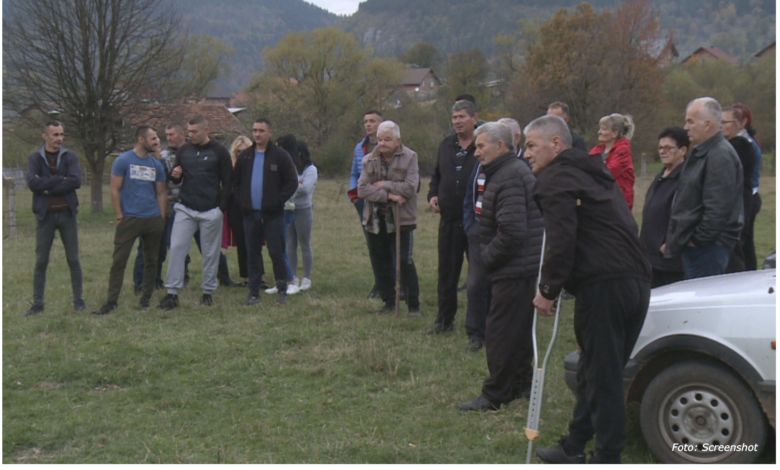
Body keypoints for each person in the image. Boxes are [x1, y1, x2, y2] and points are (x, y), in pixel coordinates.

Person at [525, 115, 651, 464]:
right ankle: (575, 442)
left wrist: (547, 290)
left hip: (605, 284)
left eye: (532, 145)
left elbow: (561, 241)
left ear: (556, 143)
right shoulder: (595, 172)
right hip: (637, 280)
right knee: (596, 367)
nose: (526, 154)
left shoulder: (554, 178)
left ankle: (608, 456)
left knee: (604, 374)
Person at [456, 122, 543, 411]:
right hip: (517, 267)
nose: (476, 152)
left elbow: (513, 231)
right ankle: (520, 384)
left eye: (481, 146)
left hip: (514, 269)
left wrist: (486, 258)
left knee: (501, 331)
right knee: (516, 330)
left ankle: (495, 394)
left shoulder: (508, 177)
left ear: (500, 146)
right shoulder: (506, 173)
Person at [157, 116, 233, 309]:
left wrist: (220, 209)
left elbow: (228, 183)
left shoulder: (220, 152)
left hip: (211, 210)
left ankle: (207, 292)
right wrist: (176, 176)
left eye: (194, 132)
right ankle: (171, 294)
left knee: (210, 253)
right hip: (186, 208)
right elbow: (175, 177)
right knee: (176, 248)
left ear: (206, 130)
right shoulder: (184, 150)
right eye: (189, 132)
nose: (190, 136)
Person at [663, 97, 743, 280]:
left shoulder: (720, 156)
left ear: (707, 124)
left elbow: (717, 209)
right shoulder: (702, 152)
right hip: (700, 247)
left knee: (704, 303)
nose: (685, 127)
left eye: (690, 121)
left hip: (709, 249)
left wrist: (696, 240)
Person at [92, 126, 167, 314]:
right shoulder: (123, 161)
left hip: (152, 218)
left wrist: (161, 218)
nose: (156, 141)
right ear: (141, 140)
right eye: (153, 137)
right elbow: (114, 189)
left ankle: (145, 298)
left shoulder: (156, 164)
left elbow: (160, 192)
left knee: (152, 260)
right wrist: (119, 215)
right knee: (119, 261)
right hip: (129, 218)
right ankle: (111, 301)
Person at [423, 100, 478, 340]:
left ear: (474, 118)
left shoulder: (482, 144)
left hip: (477, 221)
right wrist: (433, 194)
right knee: (447, 273)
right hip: (449, 220)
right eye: (455, 117)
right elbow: (436, 175)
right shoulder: (446, 145)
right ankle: (444, 321)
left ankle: (478, 327)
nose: (457, 121)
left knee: (477, 277)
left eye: (462, 117)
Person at [233, 118, 298, 306]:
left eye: (261, 130)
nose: (257, 134)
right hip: (250, 214)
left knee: (276, 252)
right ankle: (253, 292)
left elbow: (292, 182)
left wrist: (277, 201)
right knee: (252, 253)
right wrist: (242, 201)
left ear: (270, 132)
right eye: (254, 130)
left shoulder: (280, 156)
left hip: (272, 215)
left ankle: (282, 289)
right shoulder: (245, 156)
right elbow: (236, 183)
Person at [358, 120, 420, 315]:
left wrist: (383, 183)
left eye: (387, 139)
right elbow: (362, 189)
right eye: (379, 139)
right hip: (376, 220)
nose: (382, 144)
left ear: (398, 140)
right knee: (381, 261)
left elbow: (410, 187)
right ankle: (389, 302)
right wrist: (390, 195)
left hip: (402, 220)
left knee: (405, 260)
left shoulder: (410, 157)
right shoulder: (368, 160)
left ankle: (413, 304)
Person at [25, 121, 85, 316]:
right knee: (41, 260)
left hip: (67, 214)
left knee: (73, 259)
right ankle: (38, 303)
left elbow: (75, 181)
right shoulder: (35, 158)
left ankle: (78, 300)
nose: (59, 139)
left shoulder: (70, 156)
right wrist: (61, 179)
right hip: (46, 215)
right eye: (55, 135)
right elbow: (32, 183)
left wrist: (47, 187)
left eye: (61, 135)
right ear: (45, 136)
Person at [639, 127, 688, 288]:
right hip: (649, 256)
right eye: (660, 147)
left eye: (668, 148)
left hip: (668, 260)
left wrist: (669, 242)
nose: (663, 151)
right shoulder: (661, 174)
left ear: (683, 150)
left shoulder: (686, 178)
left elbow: (684, 215)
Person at [349, 110, 384, 299]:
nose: (368, 124)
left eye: (372, 121)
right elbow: (354, 173)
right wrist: (354, 196)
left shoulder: (388, 145)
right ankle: (379, 282)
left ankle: (397, 281)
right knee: (372, 244)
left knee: (388, 242)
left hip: (384, 200)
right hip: (364, 202)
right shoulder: (359, 147)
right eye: (365, 121)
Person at [722, 106, 757, 273]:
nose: (720, 126)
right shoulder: (731, 144)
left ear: (739, 124)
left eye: (725, 122)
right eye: (718, 122)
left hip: (741, 202)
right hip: (739, 201)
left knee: (737, 247)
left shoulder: (741, 145)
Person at [266, 133, 301, 296]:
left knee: (280, 247)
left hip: (285, 209)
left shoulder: (287, 164)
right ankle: (281, 280)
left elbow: (291, 187)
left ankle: (290, 281)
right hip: (274, 208)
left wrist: (278, 200)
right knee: (275, 247)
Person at [732, 102, 762, 270]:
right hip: (751, 195)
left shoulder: (745, 143)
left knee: (745, 244)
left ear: (742, 122)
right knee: (746, 243)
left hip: (749, 197)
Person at [287, 141, 318, 290]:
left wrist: (290, 186)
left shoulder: (311, 170)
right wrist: (295, 185)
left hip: (303, 210)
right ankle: (292, 276)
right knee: (290, 245)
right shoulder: (290, 168)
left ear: (299, 153)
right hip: (288, 209)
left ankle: (307, 277)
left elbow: (305, 189)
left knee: (304, 244)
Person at [588, 113, 636, 210]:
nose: (599, 132)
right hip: (599, 199)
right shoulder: (596, 150)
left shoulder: (624, 150)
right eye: (600, 129)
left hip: (618, 202)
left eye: (604, 129)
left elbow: (610, 172)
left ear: (615, 133)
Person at [227, 135, 253, 286]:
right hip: (235, 207)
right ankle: (247, 277)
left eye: (244, 151)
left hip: (251, 206)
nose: (241, 154)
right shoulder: (231, 167)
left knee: (253, 241)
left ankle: (259, 275)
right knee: (241, 242)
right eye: (238, 152)